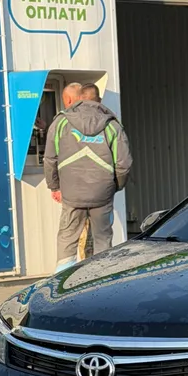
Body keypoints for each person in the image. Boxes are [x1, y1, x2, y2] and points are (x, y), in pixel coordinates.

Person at [44, 81, 132, 270]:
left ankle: (62, 283)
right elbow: (123, 164)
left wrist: (55, 186)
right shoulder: (112, 125)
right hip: (102, 194)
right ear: (98, 100)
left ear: (80, 98)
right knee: (102, 239)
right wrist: (116, 186)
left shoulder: (61, 123)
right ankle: (99, 282)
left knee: (67, 238)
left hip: (71, 194)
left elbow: (50, 158)